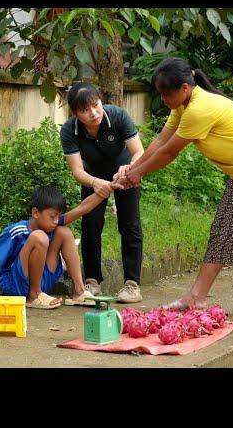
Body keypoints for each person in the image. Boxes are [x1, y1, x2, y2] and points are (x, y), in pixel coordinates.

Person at [114, 57, 233, 326]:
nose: (163, 99)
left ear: (184, 88)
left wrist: (137, 174)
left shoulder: (200, 108)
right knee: (222, 234)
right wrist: (132, 169)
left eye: (165, 94)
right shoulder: (184, 105)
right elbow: (161, 140)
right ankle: (195, 297)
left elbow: (171, 152)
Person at [60, 82, 145, 303]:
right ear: (75, 113)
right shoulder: (70, 130)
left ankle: (132, 285)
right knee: (91, 224)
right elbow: (77, 170)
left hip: (125, 174)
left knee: (130, 225)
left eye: (96, 105)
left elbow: (138, 151)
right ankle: (92, 281)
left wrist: (128, 170)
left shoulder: (117, 116)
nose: (94, 113)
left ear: (101, 101)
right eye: (85, 110)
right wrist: (96, 183)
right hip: (92, 177)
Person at [0, 184, 114, 309]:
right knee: (39, 237)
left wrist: (107, 189)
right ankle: (33, 295)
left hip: (43, 280)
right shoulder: (17, 230)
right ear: (36, 212)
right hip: (15, 284)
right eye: (52, 216)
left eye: (58, 216)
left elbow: (82, 208)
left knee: (64, 232)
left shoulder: (53, 225)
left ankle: (79, 292)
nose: (56, 221)